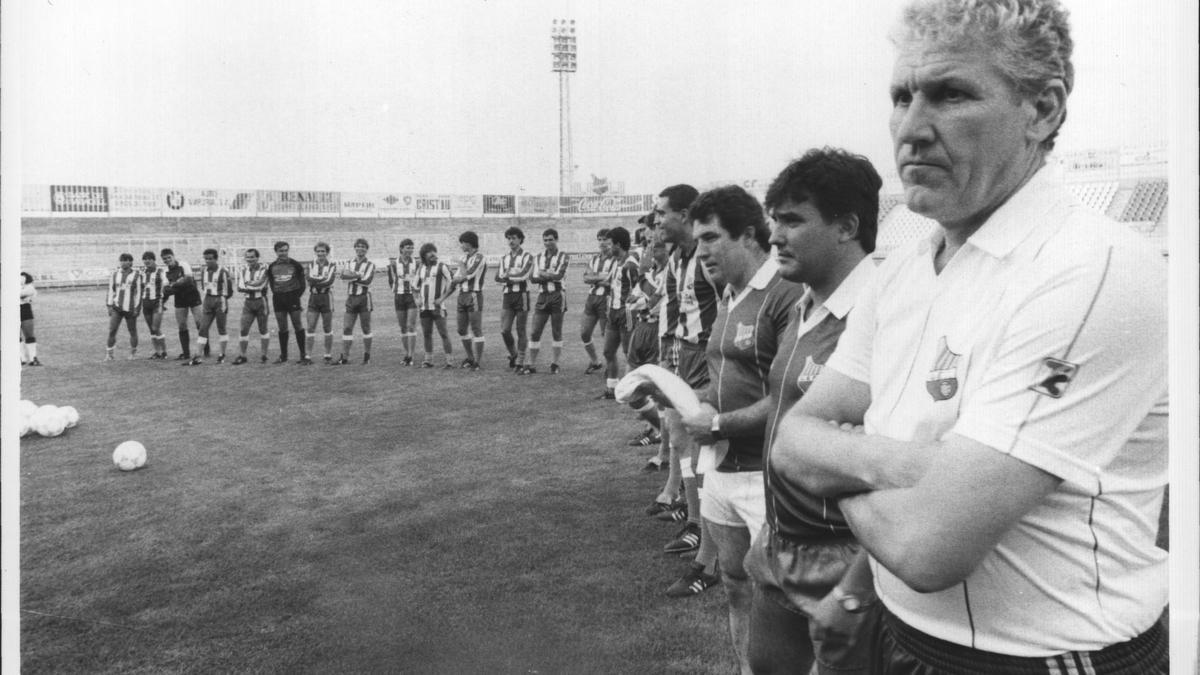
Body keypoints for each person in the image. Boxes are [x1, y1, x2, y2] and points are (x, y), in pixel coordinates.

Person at [771, 1, 1168, 671]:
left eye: (950, 94)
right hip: (902, 635)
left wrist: (834, 465)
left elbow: (930, 546)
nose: (912, 129)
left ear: (1041, 110)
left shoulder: (1093, 269)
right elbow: (791, 438)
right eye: (901, 97)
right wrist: (908, 467)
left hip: (1040, 655)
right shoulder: (900, 273)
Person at [737, 148, 882, 675]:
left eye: (793, 220)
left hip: (845, 555)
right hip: (779, 542)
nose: (774, 235)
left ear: (847, 226)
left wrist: (859, 583)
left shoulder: (885, 313)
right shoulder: (800, 307)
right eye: (774, 219)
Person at [676, 185, 805, 673]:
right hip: (723, 469)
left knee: (785, 599)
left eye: (710, 237)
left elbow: (792, 396)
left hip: (768, 476)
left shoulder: (785, 294)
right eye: (697, 240)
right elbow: (723, 380)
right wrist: (687, 403)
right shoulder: (728, 297)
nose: (700, 250)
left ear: (750, 235)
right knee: (733, 583)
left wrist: (719, 421)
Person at [653, 184, 723, 583]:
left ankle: (710, 557)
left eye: (662, 212)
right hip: (682, 352)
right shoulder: (679, 257)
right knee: (679, 439)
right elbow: (678, 310)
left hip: (705, 357)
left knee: (703, 450)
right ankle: (694, 520)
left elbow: (726, 305)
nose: (657, 220)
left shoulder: (703, 256)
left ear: (684, 214)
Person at [597, 226, 639, 398]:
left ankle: (632, 390)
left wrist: (633, 303)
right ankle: (612, 389)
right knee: (608, 351)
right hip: (613, 312)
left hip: (626, 313)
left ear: (618, 245)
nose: (608, 246)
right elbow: (611, 283)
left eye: (610, 243)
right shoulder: (616, 262)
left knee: (629, 353)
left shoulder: (630, 265)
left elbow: (640, 286)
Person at [524, 228, 570, 374]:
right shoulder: (538, 257)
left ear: (556, 240)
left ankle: (555, 363)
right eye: (545, 240)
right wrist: (547, 274)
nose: (548, 242)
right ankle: (531, 364)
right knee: (535, 331)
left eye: (550, 239)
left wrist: (543, 274)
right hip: (542, 296)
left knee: (556, 331)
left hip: (558, 295)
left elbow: (559, 276)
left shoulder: (563, 256)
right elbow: (532, 278)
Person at [495, 226, 533, 370]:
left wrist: (507, 276)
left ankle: (520, 361)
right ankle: (514, 354)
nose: (511, 241)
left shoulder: (527, 256)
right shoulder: (504, 258)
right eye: (509, 238)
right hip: (507, 296)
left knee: (521, 329)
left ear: (520, 239)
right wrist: (510, 277)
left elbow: (524, 275)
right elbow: (497, 277)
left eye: (514, 238)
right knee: (504, 330)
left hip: (521, 295)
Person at [263, 241, 308, 364]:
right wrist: (279, 293)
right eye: (280, 251)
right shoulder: (272, 266)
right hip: (278, 299)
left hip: (293, 298)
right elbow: (272, 283)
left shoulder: (296, 265)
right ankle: (284, 355)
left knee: (297, 325)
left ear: (288, 250)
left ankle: (303, 355)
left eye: (285, 250)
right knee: (282, 327)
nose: (283, 253)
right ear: (276, 252)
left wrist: (295, 296)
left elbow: (302, 284)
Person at [415, 243, 457, 368]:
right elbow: (414, 286)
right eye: (429, 252)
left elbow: (453, 283)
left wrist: (442, 298)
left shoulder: (442, 266)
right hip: (424, 308)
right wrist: (417, 298)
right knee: (427, 334)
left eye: (434, 251)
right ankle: (428, 360)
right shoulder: (421, 268)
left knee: (443, 333)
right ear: (424, 256)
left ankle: (450, 361)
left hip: (438, 307)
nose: (433, 254)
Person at [579, 228, 615, 373]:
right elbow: (585, 277)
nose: (602, 243)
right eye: (599, 239)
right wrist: (601, 277)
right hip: (592, 298)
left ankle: (610, 365)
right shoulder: (594, 259)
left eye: (605, 239)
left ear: (611, 241)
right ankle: (595, 361)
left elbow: (611, 281)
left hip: (606, 299)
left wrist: (595, 277)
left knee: (606, 335)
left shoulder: (615, 259)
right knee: (584, 333)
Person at [336, 238, 376, 364]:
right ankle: (345, 357)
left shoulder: (370, 264)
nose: (360, 248)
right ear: (355, 248)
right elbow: (343, 277)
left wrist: (352, 276)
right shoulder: (349, 262)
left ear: (366, 249)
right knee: (347, 327)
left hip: (364, 298)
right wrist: (358, 275)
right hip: (351, 298)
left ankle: (367, 356)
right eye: (358, 246)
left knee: (365, 327)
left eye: (363, 246)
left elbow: (367, 281)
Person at [190, 248, 234, 365]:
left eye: (210, 259)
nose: (208, 261)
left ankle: (222, 354)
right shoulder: (203, 271)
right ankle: (198, 356)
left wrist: (221, 299)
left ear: (216, 259)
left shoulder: (223, 272)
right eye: (206, 259)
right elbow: (203, 287)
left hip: (220, 300)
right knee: (203, 328)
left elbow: (229, 291)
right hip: (208, 300)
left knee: (221, 328)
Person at [452, 231, 487, 369]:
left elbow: (469, 274)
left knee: (476, 329)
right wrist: (458, 276)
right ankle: (470, 357)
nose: (461, 246)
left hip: (474, 295)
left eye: (462, 243)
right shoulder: (464, 257)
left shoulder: (479, 257)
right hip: (462, 295)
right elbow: (457, 277)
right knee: (461, 329)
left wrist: (460, 264)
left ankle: (477, 362)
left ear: (468, 243)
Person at [161, 248, 203, 361]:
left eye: (169, 257)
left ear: (173, 256)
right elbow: (165, 290)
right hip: (180, 298)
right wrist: (178, 283)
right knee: (182, 325)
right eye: (164, 259)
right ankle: (186, 353)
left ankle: (204, 349)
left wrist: (173, 285)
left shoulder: (183, 264)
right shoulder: (165, 272)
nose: (167, 260)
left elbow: (189, 279)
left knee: (200, 323)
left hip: (192, 295)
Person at [233, 248, 272, 365]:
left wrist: (249, 284)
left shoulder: (265, 269)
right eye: (248, 257)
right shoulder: (242, 269)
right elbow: (239, 287)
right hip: (248, 303)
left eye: (252, 257)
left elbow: (261, 285)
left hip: (261, 301)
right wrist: (253, 284)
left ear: (257, 258)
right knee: (243, 329)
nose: (250, 259)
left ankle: (264, 355)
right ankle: (242, 355)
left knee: (263, 328)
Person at [105, 253, 145, 361]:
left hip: (130, 308)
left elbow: (139, 293)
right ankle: (109, 354)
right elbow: (110, 290)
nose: (123, 262)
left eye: (126, 260)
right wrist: (109, 305)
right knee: (112, 330)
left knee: (132, 331)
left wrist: (137, 308)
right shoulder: (114, 274)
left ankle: (133, 353)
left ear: (131, 262)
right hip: (117, 307)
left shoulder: (137, 275)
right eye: (121, 260)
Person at [387, 239, 420, 366]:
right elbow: (391, 280)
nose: (410, 250)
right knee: (403, 327)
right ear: (401, 249)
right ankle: (406, 354)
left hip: (412, 296)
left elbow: (419, 279)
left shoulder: (416, 263)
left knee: (411, 325)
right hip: (399, 297)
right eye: (407, 248)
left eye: (412, 248)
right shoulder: (394, 263)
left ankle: (411, 355)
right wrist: (396, 290)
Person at [304, 242, 338, 364]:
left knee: (327, 327)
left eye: (323, 251)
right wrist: (321, 280)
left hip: (326, 298)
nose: (320, 253)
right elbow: (308, 279)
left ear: (327, 252)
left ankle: (327, 355)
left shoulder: (332, 265)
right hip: (313, 298)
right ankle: (307, 356)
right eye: (318, 251)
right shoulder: (310, 264)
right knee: (311, 326)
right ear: (315, 252)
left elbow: (329, 281)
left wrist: (316, 281)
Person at [139, 252, 169, 359]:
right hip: (146, 302)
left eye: (149, 259)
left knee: (156, 327)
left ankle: (164, 351)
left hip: (157, 302)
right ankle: (157, 352)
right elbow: (140, 288)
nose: (147, 261)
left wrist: (162, 300)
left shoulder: (161, 271)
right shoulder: (142, 272)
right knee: (151, 329)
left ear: (154, 259)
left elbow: (166, 286)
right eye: (145, 259)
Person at [19, 272, 42, 366]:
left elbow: (29, 292)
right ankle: (21, 358)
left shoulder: (29, 287)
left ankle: (33, 359)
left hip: (25, 309)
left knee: (29, 334)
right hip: (11, 309)